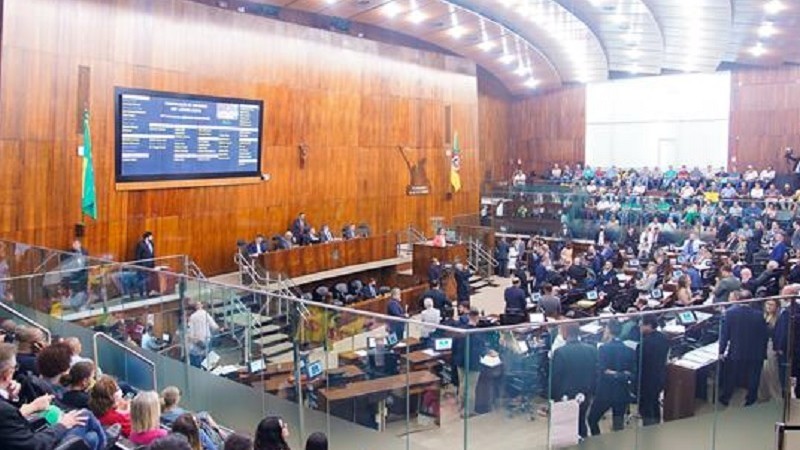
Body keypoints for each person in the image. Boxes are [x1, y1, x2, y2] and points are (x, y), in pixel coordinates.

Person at [0, 342, 93, 450]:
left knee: (91, 435)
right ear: (6, 374)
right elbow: (33, 445)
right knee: (88, 423)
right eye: (14, 367)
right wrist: (62, 425)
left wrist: (11, 397)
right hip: (35, 441)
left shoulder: (6, 405)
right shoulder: (5, 410)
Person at [719, 290, 768, 406]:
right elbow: (763, 336)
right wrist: (763, 353)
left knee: (731, 375)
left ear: (738, 300)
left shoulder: (730, 313)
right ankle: (751, 399)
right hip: (755, 352)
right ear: (751, 301)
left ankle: (726, 397)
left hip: (736, 350)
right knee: (753, 376)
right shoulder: (759, 315)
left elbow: (725, 335)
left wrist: (721, 351)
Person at [588, 320, 636, 435]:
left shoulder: (603, 349)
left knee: (592, 419)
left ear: (608, 330)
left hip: (605, 392)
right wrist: (622, 374)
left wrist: (612, 373)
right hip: (622, 392)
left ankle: (598, 442)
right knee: (618, 426)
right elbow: (631, 374)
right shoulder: (629, 350)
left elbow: (603, 371)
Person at [550, 323, 597, 438]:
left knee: (567, 427)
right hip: (586, 394)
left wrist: (553, 397)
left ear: (565, 332)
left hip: (566, 396)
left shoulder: (560, 352)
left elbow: (556, 377)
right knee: (581, 421)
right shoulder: (591, 349)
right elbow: (595, 373)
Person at [452, 308, 488, 418]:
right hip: (473, 363)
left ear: (468, 316)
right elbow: (481, 350)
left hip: (460, 361)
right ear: (477, 317)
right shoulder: (478, 333)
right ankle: (468, 412)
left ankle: (460, 407)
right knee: (471, 388)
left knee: (462, 385)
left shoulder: (460, 330)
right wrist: (488, 352)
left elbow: (454, 346)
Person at [639, 316, 670, 426]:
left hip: (647, 379)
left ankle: (648, 429)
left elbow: (640, 363)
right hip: (660, 375)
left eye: (642, 325)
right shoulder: (663, 338)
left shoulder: (645, 343)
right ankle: (656, 425)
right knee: (655, 402)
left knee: (646, 406)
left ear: (649, 325)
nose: (640, 327)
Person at [759, 298, 782, 402]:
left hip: (771, 345)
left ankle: (776, 397)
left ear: (776, 307)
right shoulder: (762, 316)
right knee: (762, 371)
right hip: (762, 345)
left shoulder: (778, 319)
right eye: (767, 304)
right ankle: (763, 395)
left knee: (772, 371)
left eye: (771, 304)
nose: (768, 306)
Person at [187, 301, 221, 368]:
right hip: (206, 339)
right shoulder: (205, 314)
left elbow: (190, 333)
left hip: (197, 342)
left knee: (197, 363)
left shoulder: (192, 317)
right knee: (208, 361)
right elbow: (215, 327)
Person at [134, 231, 156, 298]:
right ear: (147, 237)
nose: (152, 237)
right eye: (151, 236)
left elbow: (152, 254)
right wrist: (139, 265)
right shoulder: (140, 244)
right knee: (142, 279)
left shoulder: (151, 243)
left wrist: (153, 264)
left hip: (150, 264)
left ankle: (148, 292)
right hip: (143, 265)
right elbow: (138, 255)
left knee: (148, 279)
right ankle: (141, 293)